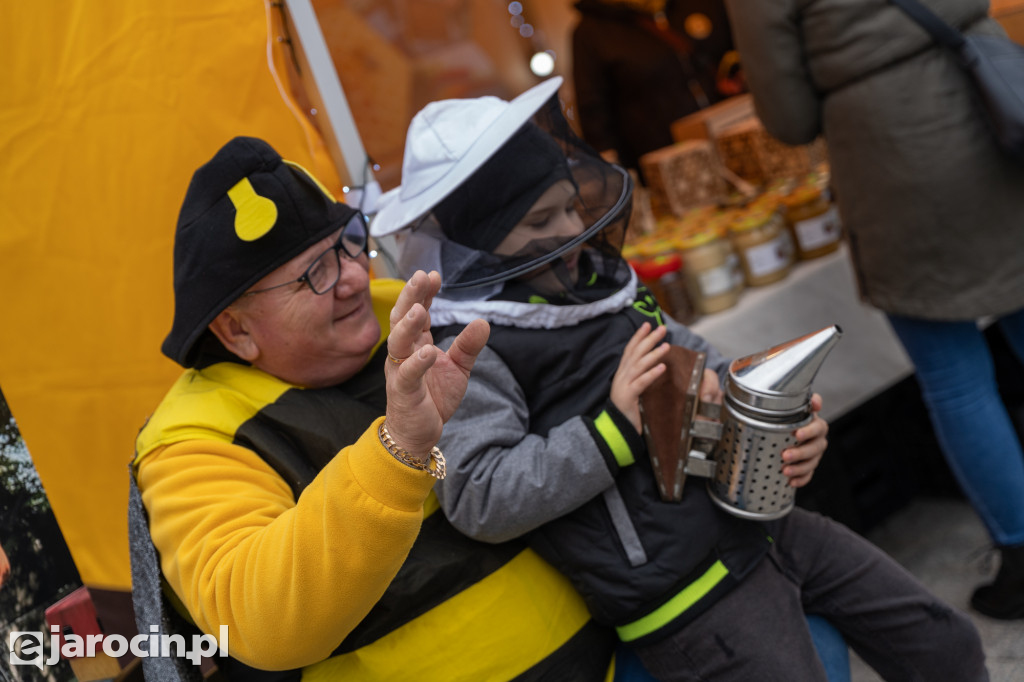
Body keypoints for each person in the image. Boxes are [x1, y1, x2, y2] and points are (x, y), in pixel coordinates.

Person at [370, 77, 989, 682]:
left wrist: (786, 425)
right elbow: (478, 496)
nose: (568, 233)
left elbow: (700, 362)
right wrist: (614, 428)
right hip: (686, 597)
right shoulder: (470, 348)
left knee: (942, 641)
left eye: (568, 206)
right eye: (538, 222)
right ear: (478, 241)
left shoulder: (597, 288)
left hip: (762, 526)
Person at [129, 136, 620, 681]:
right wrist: (398, 453)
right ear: (236, 330)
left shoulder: (434, 310)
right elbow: (255, 623)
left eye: (351, 243)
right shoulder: (194, 438)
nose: (356, 278)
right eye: (315, 273)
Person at [724, 0, 1024, 621]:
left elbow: (788, 115)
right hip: (992, 115)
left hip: (894, 163)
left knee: (956, 380)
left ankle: (1022, 555)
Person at [571, 0, 740, 172]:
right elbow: (593, 114)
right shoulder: (592, 32)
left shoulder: (691, 6)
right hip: (667, 165)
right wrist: (617, 178)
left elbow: (733, 50)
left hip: (732, 138)